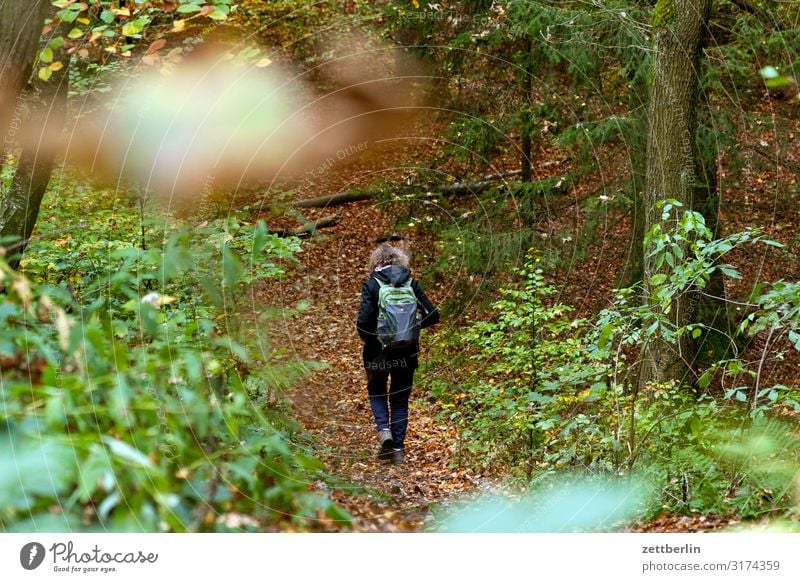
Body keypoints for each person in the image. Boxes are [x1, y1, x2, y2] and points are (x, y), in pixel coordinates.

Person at [355, 243, 440, 464]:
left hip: (378, 352)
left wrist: (372, 339)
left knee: (377, 391)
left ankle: (385, 433)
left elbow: (363, 323)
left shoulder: (372, 285)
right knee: (400, 399)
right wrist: (409, 329)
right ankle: (399, 451)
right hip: (407, 352)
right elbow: (433, 316)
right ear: (400, 261)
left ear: (376, 263)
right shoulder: (411, 283)